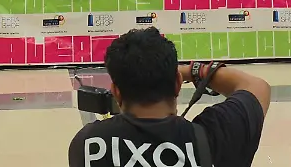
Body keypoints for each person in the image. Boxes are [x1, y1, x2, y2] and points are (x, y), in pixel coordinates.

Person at [69, 28, 270, 167]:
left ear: (116, 91)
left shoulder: (88, 144)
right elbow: (257, 87)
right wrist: (195, 71)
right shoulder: (215, 136)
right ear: (177, 83)